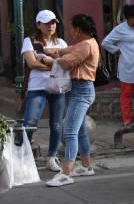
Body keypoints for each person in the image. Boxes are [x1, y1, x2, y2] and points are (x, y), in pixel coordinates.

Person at [43, 14, 100, 187]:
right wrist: (48, 50)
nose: (70, 31)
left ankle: (65, 173)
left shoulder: (86, 45)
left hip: (82, 92)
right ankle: (86, 166)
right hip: (78, 90)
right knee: (80, 131)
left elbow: (67, 62)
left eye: (71, 27)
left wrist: (50, 59)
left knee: (70, 132)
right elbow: (64, 51)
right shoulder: (84, 44)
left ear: (77, 29)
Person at [20, 10, 67, 172]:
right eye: (47, 23)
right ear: (38, 25)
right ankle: (20, 155)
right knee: (30, 122)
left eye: (53, 22)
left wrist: (48, 64)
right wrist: (54, 64)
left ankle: (51, 157)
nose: (51, 25)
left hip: (58, 87)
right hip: (37, 88)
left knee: (56, 124)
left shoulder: (61, 42)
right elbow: (32, 63)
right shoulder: (30, 41)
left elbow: (66, 63)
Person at [102, 5, 134, 126]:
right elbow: (105, 42)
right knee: (126, 93)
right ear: (130, 17)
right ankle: (127, 119)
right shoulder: (120, 29)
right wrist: (116, 50)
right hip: (128, 66)